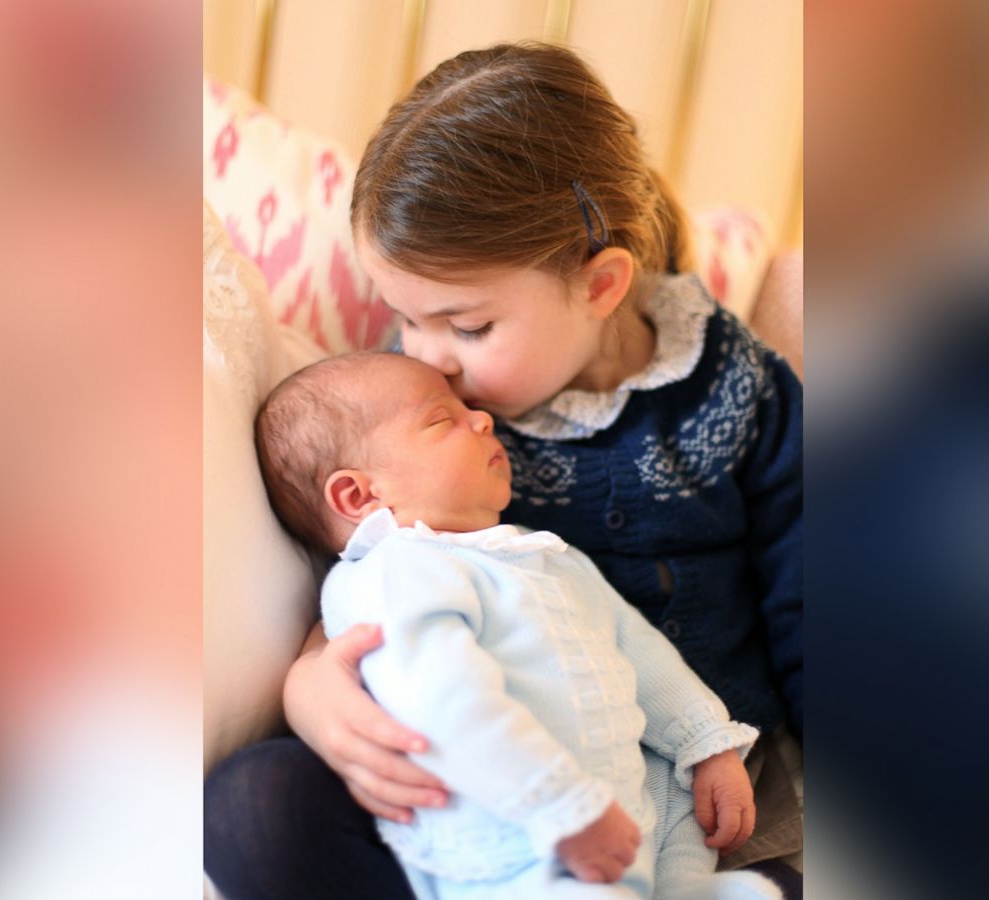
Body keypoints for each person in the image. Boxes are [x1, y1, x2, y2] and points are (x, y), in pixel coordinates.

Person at [205, 42, 802, 899]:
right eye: (405, 321)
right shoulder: (417, 403)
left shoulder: (740, 392)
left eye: (467, 326)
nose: (428, 359)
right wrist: (309, 688)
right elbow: (364, 569)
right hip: (485, 775)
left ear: (601, 285)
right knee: (251, 809)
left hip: (695, 788)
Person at [250, 351, 781, 900]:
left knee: (693, 831)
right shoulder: (395, 572)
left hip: (627, 820)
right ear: (359, 495)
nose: (482, 420)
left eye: (468, 409)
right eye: (442, 419)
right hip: (518, 845)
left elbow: (636, 648)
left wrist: (705, 742)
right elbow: (444, 703)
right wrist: (561, 806)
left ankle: (683, 887)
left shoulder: (546, 556)